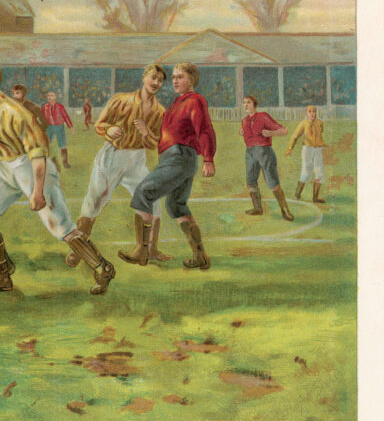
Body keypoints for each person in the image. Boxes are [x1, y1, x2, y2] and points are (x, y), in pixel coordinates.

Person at [0, 61, 116, 294]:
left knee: (59, 226)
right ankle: (2, 276)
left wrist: (38, 191)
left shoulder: (14, 111)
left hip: (31, 167)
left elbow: (38, 152)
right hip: (6, 169)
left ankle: (102, 267)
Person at [69, 64, 172, 270]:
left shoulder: (160, 111)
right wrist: (110, 129)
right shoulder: (121, 100)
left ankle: (149, 249)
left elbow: (155, 144)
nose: (155, 83)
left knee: (151, 200)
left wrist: (145, 132)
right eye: (153, 77)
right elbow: (100, 125)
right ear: (144, 78)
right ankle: (78, 249)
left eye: (160, 80)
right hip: (113, 156)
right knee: (95, 200)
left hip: (137, 158)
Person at [123, 63, 216, 270]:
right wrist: (148, 133)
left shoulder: (195, 100)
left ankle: (142, 250)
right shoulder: (176, 104)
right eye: (173, 77)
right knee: (176, 206)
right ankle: (200, 255)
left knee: (144, 191)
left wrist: (208, 158)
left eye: (180, 77)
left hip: (180, 158)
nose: (174, 80)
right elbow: (166, 139)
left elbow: (205, 129)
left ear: (191, 80)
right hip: (172, 157)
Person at [238, 95, 293, 220]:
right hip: (250, 153)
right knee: (251, 181)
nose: (246, 105)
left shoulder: (263, 116)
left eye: (249, 102)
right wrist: (242, 132)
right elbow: (247, 133)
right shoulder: (244, 121)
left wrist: (271, 133)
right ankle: (257, 208)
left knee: (273, 182)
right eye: (244, 103)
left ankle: (285, 210)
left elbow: (284, 130)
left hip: (265, 153)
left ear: (255, 105)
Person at [286, 105, 327, 204]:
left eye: (314, 111)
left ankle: (315, 197)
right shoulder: (303, 124)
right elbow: (295, 136)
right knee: (306, 171)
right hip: (307, 149)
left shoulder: (320, 123)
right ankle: (297, 194)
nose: (312, 113)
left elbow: (321, 133)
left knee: (319, 172)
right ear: (306, 113)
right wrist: (290, 148)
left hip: (318, 150)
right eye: (310, 111)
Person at [40, 90, 74, 169]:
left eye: (51, 95)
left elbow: (65, 116)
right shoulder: (44, 107)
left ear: (55, 97)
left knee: (62, 144)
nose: (49, 97)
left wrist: (71, 127)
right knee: (46, 144)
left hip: (59, 127)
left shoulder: (60, 107)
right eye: (48, 96)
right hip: (48, 127)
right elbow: (41, 117)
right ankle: (45, 161)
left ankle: (65, 162)